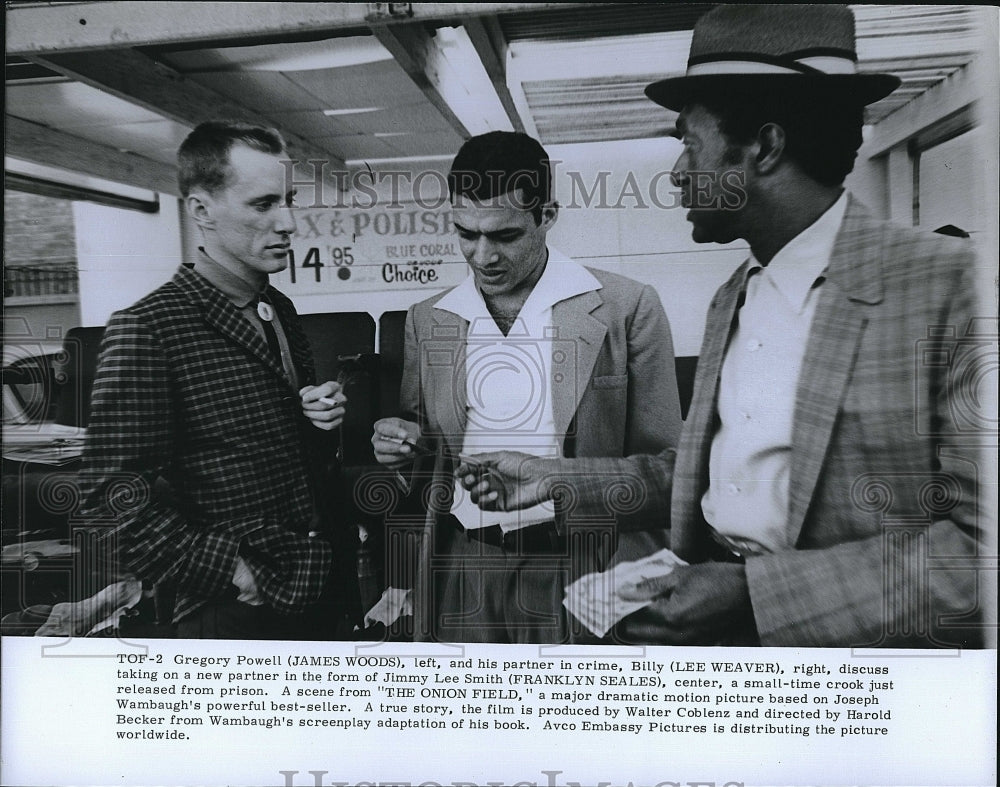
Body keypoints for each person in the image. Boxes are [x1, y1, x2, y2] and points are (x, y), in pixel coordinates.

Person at [613, 4, 986, 647]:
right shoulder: (732, 296)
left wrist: (754, 597)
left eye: (688, 143)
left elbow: (981, 548)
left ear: (763, 147)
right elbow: (702, 476)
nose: (677, 173)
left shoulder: (954, 286)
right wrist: (547, 479)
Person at [371, 131, 681, 643]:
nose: (482, 255)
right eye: (465, 233)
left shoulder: (627, 308)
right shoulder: (428, 320)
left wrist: (633, 582)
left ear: (548, 215)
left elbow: (667, 466)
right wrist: (403, 446)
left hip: (586, 565)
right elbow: (429, 457)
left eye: (505, 236)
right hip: (464, 566)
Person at [78, 121, 358, 639]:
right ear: (201, 210)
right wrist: (232, 572)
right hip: (232, 612)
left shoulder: (278, 307)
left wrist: (312, 417)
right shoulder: (148, 327)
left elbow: (263, 443)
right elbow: (107, 496)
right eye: (263, 204)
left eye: (290, 199)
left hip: (315, 586)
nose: (290, 222)